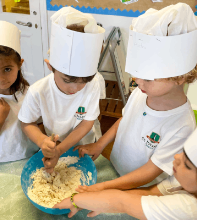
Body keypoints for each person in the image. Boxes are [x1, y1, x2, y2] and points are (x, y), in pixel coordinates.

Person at [74, 3, 197, 190]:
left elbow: (149, 172)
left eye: (147, 76)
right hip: (116, 170)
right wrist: (100, 144)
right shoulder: (141, 92)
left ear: (179, 77)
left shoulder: (182, 126)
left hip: (141, 189)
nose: (136, 79)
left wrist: (105, 188)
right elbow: (125, 119)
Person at [18, 7, 105, 173]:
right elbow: (26, 122)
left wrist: (61, 149)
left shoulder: (93, 84)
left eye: (84, 81)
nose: (75, 88)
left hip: (83, 144)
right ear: (50, 66)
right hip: (55, 144)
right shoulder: (38, 91)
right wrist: (42, 141)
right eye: (67, 80)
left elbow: (87, 122)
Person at [54, 129, 197, 220]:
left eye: (187, 165)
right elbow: (151, 192)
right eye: (182, 153)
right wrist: (101, 199)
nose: (177, 158)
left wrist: (75, 199)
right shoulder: (181, 182)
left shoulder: (189, 209)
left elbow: (121, 202)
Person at [0, 21, 39, 164]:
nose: (0, 78)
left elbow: (40, 124)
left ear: (19, 64)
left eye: (7, 69)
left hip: (31, 157)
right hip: (0, 162)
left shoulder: (31, 93)